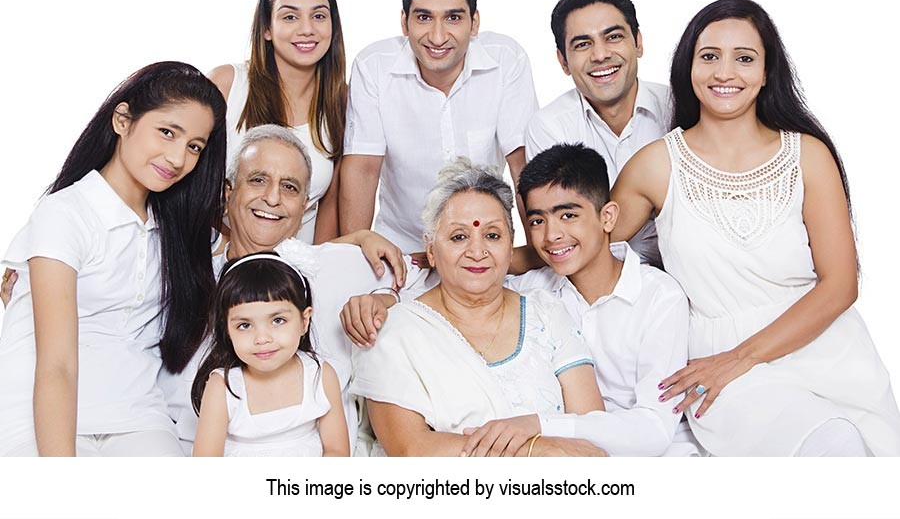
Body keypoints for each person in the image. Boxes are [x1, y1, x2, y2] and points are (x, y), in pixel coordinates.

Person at [612, 0, 900, 456]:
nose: (725, 73)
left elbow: (841, 284)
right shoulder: (655, 166)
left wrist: (739, 358)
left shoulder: (808, 155)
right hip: (724, 370)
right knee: (832, 443)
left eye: (744, 58)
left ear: (767, 72)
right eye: (709, 57)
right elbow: (579, 244)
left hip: (829, 350)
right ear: (689, 67)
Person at [158, 124, 434, 455]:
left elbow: (436, 278)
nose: (272, 198)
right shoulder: (188, 278)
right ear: (228, 193)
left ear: (305, 206)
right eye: (258, 180)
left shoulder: (336, 265)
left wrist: (387, 299)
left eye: (289, 188)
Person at [0, 62, 227, 456]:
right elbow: (56, 365)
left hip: (135, 413)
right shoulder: (65, 213)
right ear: (123, 120)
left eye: (194, 146)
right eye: (167, 132)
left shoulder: (178, 231)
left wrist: (356, 238)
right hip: (41, 412)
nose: (177, 158)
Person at [350, 159, 607, 456]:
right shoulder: (394, 332)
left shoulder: (546, 313)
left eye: (493, 235)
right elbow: (412, 449)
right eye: (459, 237)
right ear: (431, 250)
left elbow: (591, 431)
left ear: (511, 246)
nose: (477, 251)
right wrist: (536, 451)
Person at [458, 144, 699, 456]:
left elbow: (655, 429)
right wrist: (385, 297)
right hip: (564, 459)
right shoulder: (532, 290)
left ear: (608, 217)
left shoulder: (660, 298)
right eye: (537, 221)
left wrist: (541, 426)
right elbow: (458, 287)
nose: (551, 235)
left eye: (568, 215)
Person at [340, 0, 538, 253]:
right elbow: (363, 168)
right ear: (405, 23)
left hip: (483, 249)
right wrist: (354, 261)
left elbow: (522, 164)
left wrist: (535, 253)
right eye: (423, 17)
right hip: (401, 250)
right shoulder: (373, 67)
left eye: (453, 18)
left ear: (474, 23)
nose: (437, 36)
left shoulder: (506, 60)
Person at [525, 0, 669, 267]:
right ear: (563, 61)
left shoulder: (679, 108)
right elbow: (561, 235)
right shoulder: (550, 127)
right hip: (590, 282)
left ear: (638, 42)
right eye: (582, 44)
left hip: (683, 280)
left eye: (613, 37)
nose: (600, 54)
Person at [208, 0, 347, 243]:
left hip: (293, 269)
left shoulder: (343, 100)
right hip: (216, 257)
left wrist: (316, 273)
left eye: (319, 16)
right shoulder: (227, 85)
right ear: (267, 29)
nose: (307, 29)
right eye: (290, 17)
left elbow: (330, 204)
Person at [192, 254, 349, 456]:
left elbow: (337, 451)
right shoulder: (222, 386)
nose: (262, 338)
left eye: (277, 321)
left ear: (304, 321)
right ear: (227, 331)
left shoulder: (320, 375)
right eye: (245, 325)